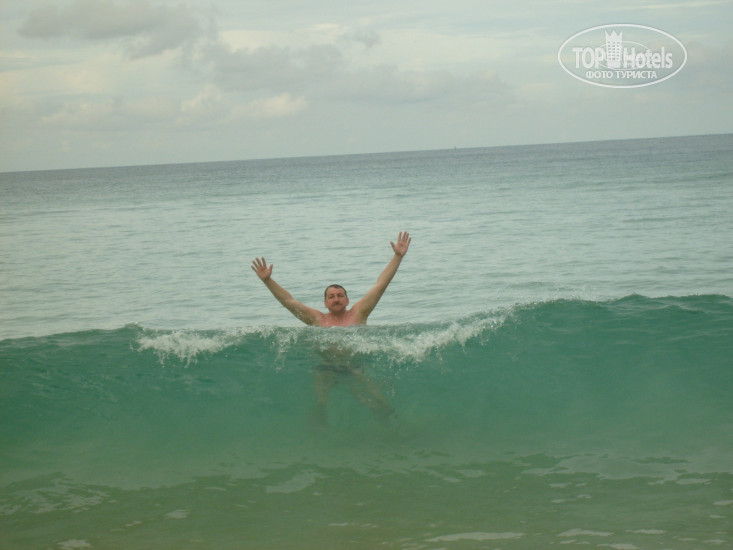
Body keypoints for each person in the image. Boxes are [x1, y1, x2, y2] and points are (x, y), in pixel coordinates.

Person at [251, 231, 411, 424]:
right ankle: (319, 429)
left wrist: (397, 257)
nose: (336, 299)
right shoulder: (317, 319)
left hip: (355, 367)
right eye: (331, 297)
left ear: (347, 300)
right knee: (321, 403)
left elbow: (381, 284)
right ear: (325, 302)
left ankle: (391, 426)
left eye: (340, 295)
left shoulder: (359, 313)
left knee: (379, 402)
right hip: (325, 368)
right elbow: (288, 301)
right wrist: (267, 281)